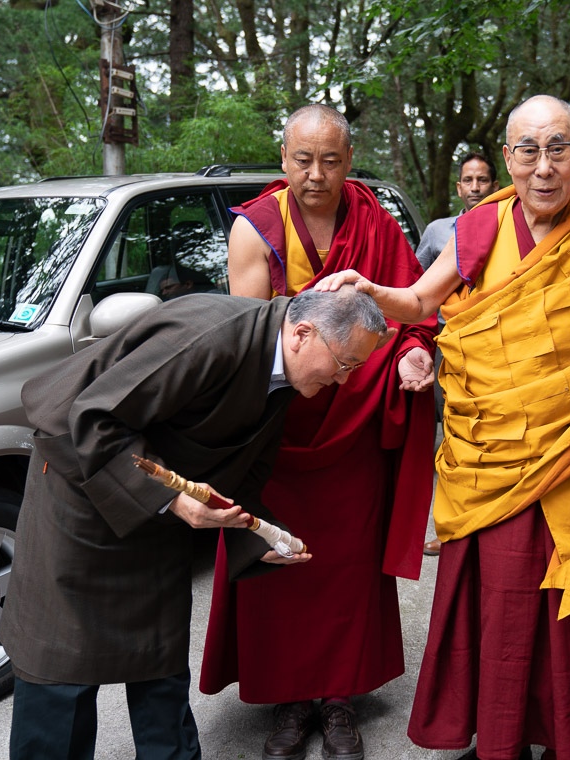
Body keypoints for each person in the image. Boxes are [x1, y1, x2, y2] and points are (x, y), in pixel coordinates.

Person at [318, 94, 570, 760]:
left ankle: (562, 740)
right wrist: (372, 290)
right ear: (508, 157)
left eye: (558, 148)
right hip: (491, 452)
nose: (543, 167)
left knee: (568, 608)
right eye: (528, 150)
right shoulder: (480, 227)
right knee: (498, 606)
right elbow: (423, 299)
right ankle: (497, 738)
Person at [0, 287, 390, 759]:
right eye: (345, 364)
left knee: (159, 663)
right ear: (302, 334)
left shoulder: (284, 367)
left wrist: (257, 536)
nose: (345, 380)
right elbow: (97, 417)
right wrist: (172, 499)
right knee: (63, 668)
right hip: (83, 486)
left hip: (162, 500)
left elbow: (245, 469)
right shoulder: (210, 337)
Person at [199, 104, 437, 760]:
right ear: (283, 160)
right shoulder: (256, 229)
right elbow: (248, 343)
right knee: (278, 562)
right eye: (303, 160)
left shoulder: (373, 220)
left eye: (330, 161)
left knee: (344, 568)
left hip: (353, 420)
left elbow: (413, 304)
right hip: (280, 427)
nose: (316, 174)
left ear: (348, 160)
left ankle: (337, 701)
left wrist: (416, 351)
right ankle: (289, 699)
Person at [416, 151, 500, 557]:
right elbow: (416, 283)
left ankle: (488, 521)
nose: (475, 187)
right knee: (450, 436)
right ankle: (447, 526)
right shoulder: (437, 232)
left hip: (493, 348)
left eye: (483, 180)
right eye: (468, 180)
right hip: (446, 347)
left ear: (494, 185)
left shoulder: (507, 229)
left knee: (487, 435)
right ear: (458, 186)